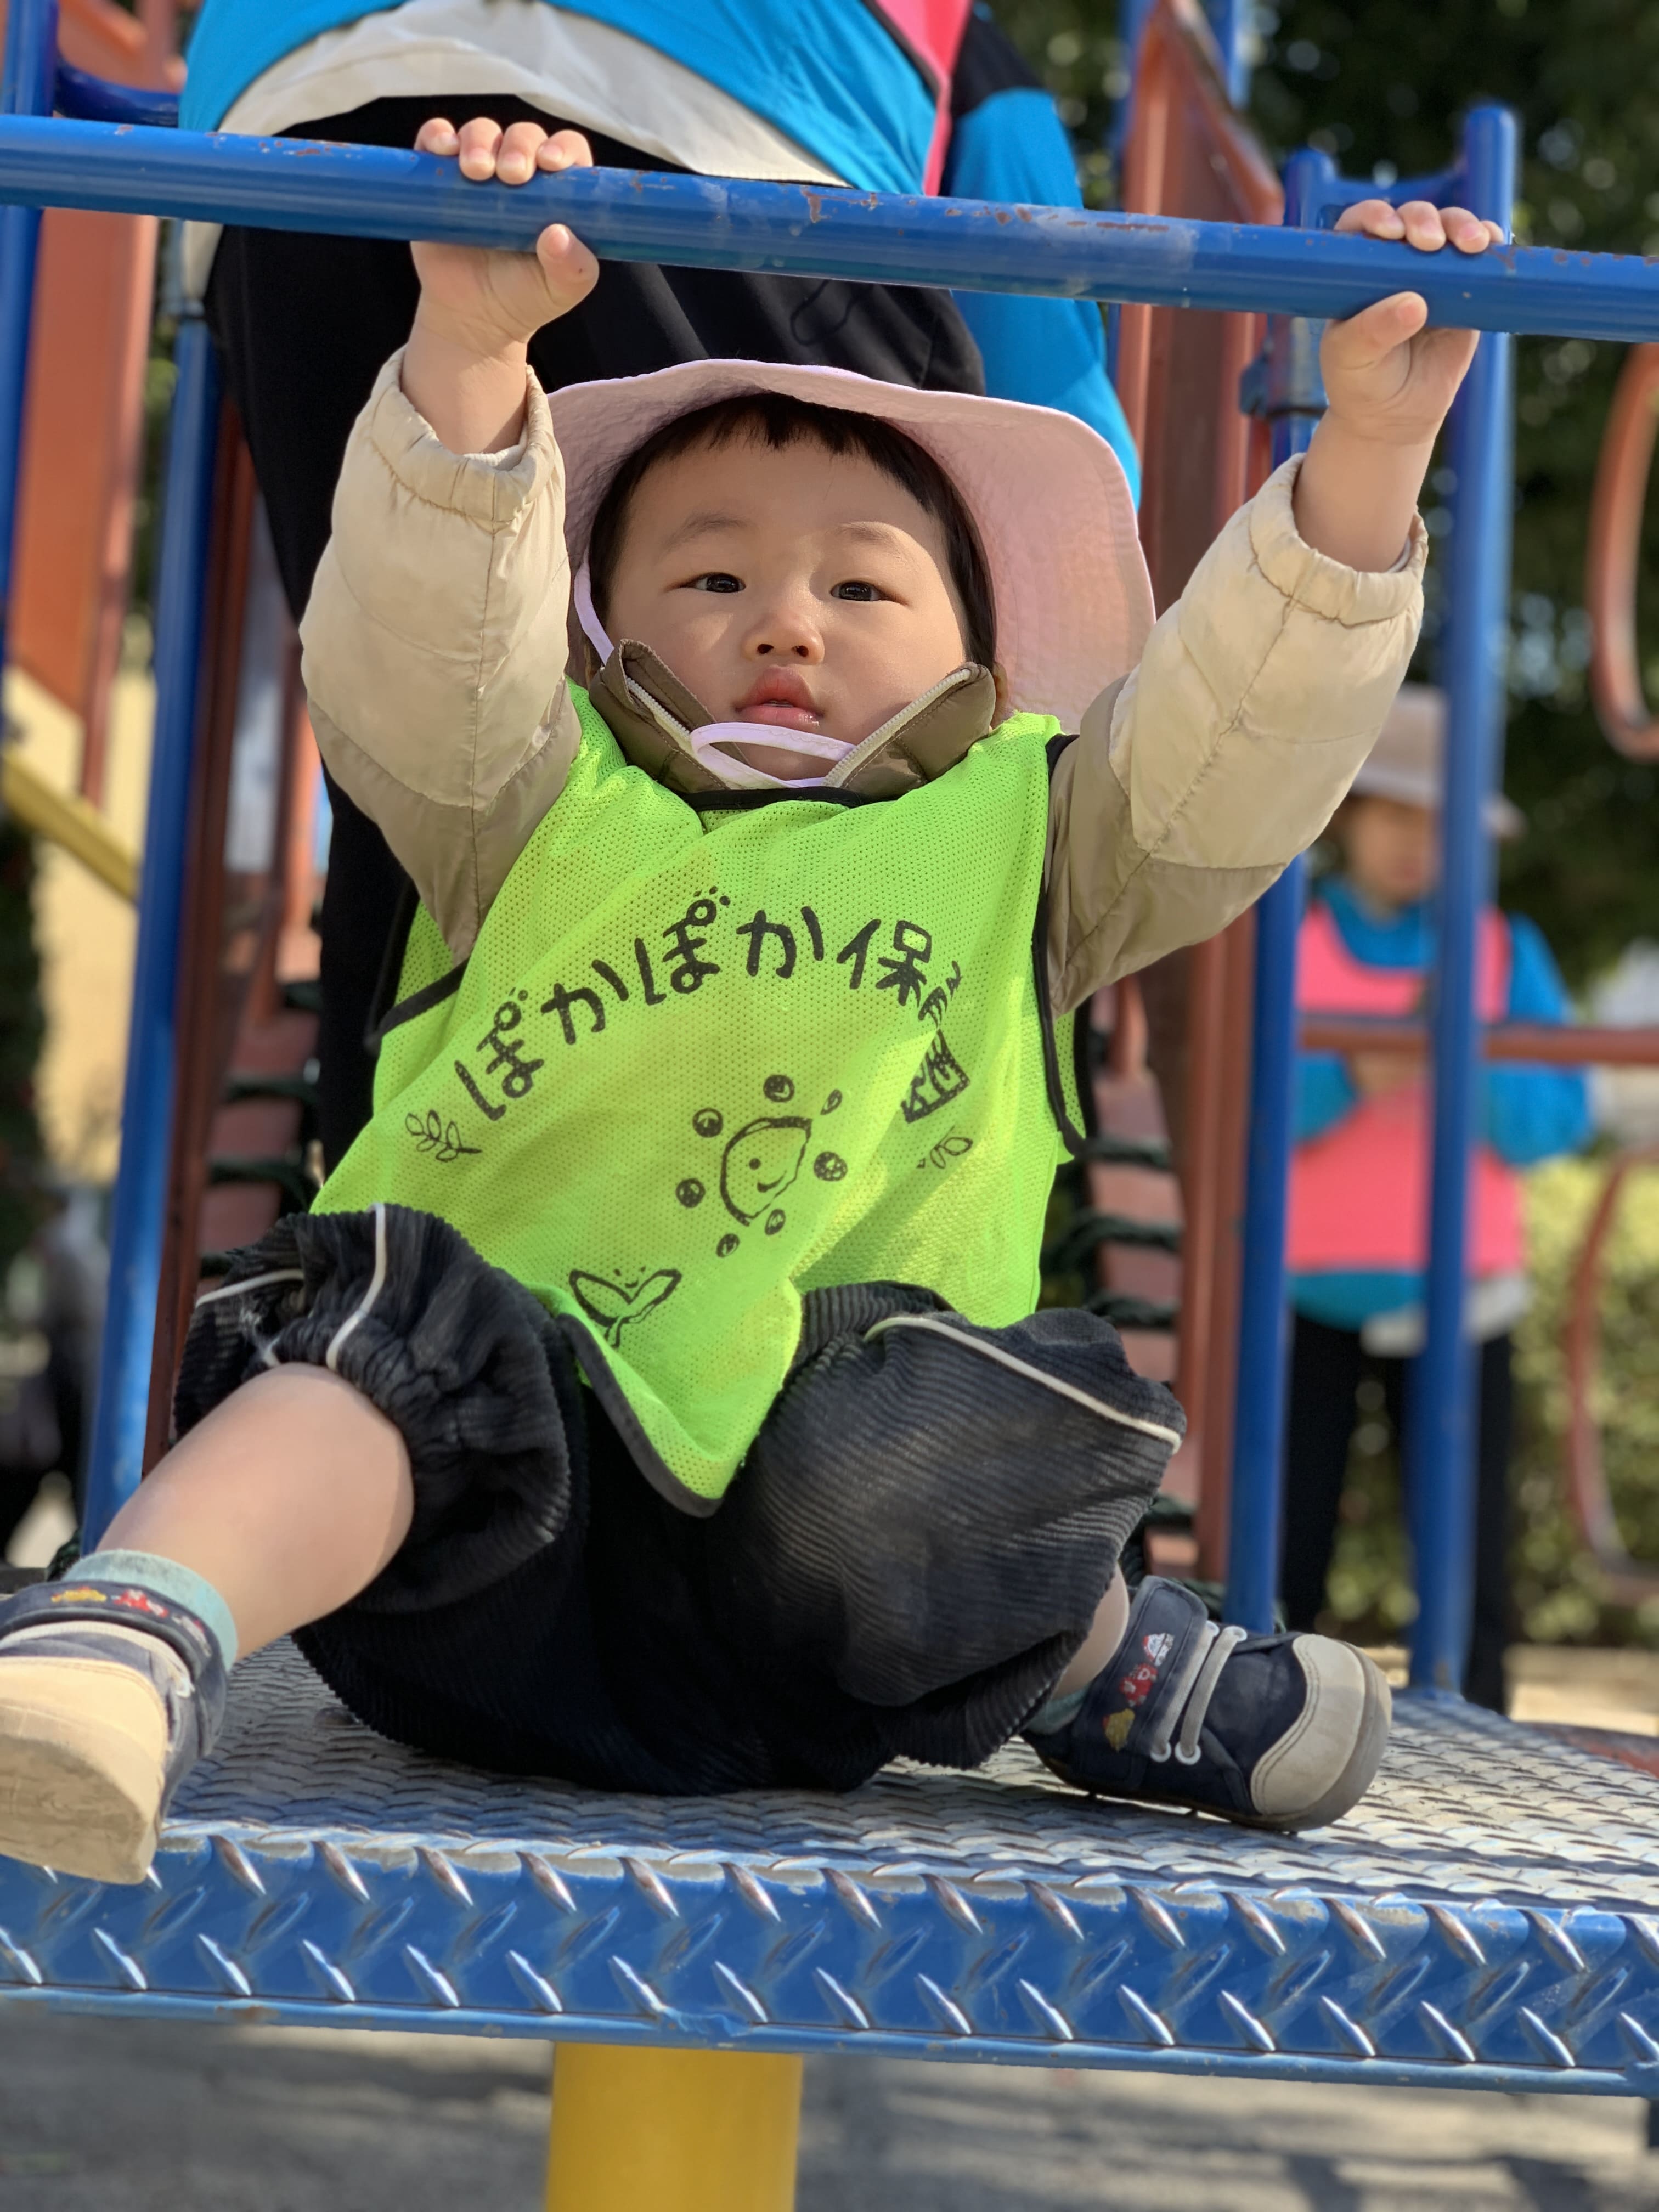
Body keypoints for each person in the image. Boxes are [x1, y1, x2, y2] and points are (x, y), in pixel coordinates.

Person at [0, 135, 1501, 1884]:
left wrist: (1368, 461)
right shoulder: (532, 796)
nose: (785, 623)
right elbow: (430, 653)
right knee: (387, 1325)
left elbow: (1231, 748)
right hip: (485, 1559)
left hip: (837, 1619)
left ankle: (1087, 1655)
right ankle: (131, 1636)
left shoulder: (1040, 837)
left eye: (861, 587)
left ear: (981, 664)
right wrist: (470, 365)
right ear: (597, 637)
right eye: (710, 580)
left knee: (933, 1415)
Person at [184, 0, 1138, 1172]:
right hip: (742, 95)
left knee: (424, 745)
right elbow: (1046, 338)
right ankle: (803, 1212)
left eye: (851, 594)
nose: (790, 631)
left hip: (283, 101)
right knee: (843, 780)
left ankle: (403, 1212)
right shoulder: (981, 60)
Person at [1282, 684, 1591, 1712]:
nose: (1417, 842)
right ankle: (1273, 1720)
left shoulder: (1504, 952)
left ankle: (1477, 1730)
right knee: (1287, 1549)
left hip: (1464, 1302)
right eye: (1394, 813)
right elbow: (1239, 1118)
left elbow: (1557, 1122)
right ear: (1344, 815)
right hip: (1306, 1296)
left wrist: (1464, 1053)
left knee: (1467, 1561)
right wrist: (1353, 1073)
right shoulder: (1290, 938)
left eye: (1438, 821)